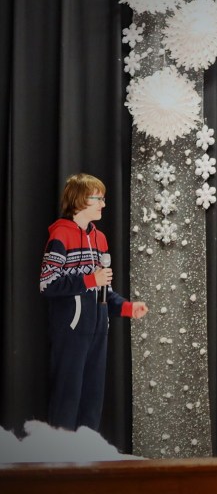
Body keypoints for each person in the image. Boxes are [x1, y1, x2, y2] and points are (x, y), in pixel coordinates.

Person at [39, 173, 148, 431]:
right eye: (98, 198)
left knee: (92, 399)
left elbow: (103, 290)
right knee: (67, 398)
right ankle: (58, 454)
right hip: (71, 331)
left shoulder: (100, 239)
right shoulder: (60, 236)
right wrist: (90, 280)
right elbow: (47, 284)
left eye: (103, 198)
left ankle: (85, 452)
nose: (104, 204)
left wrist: (127, 307)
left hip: (98, 331)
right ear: (79, 200)